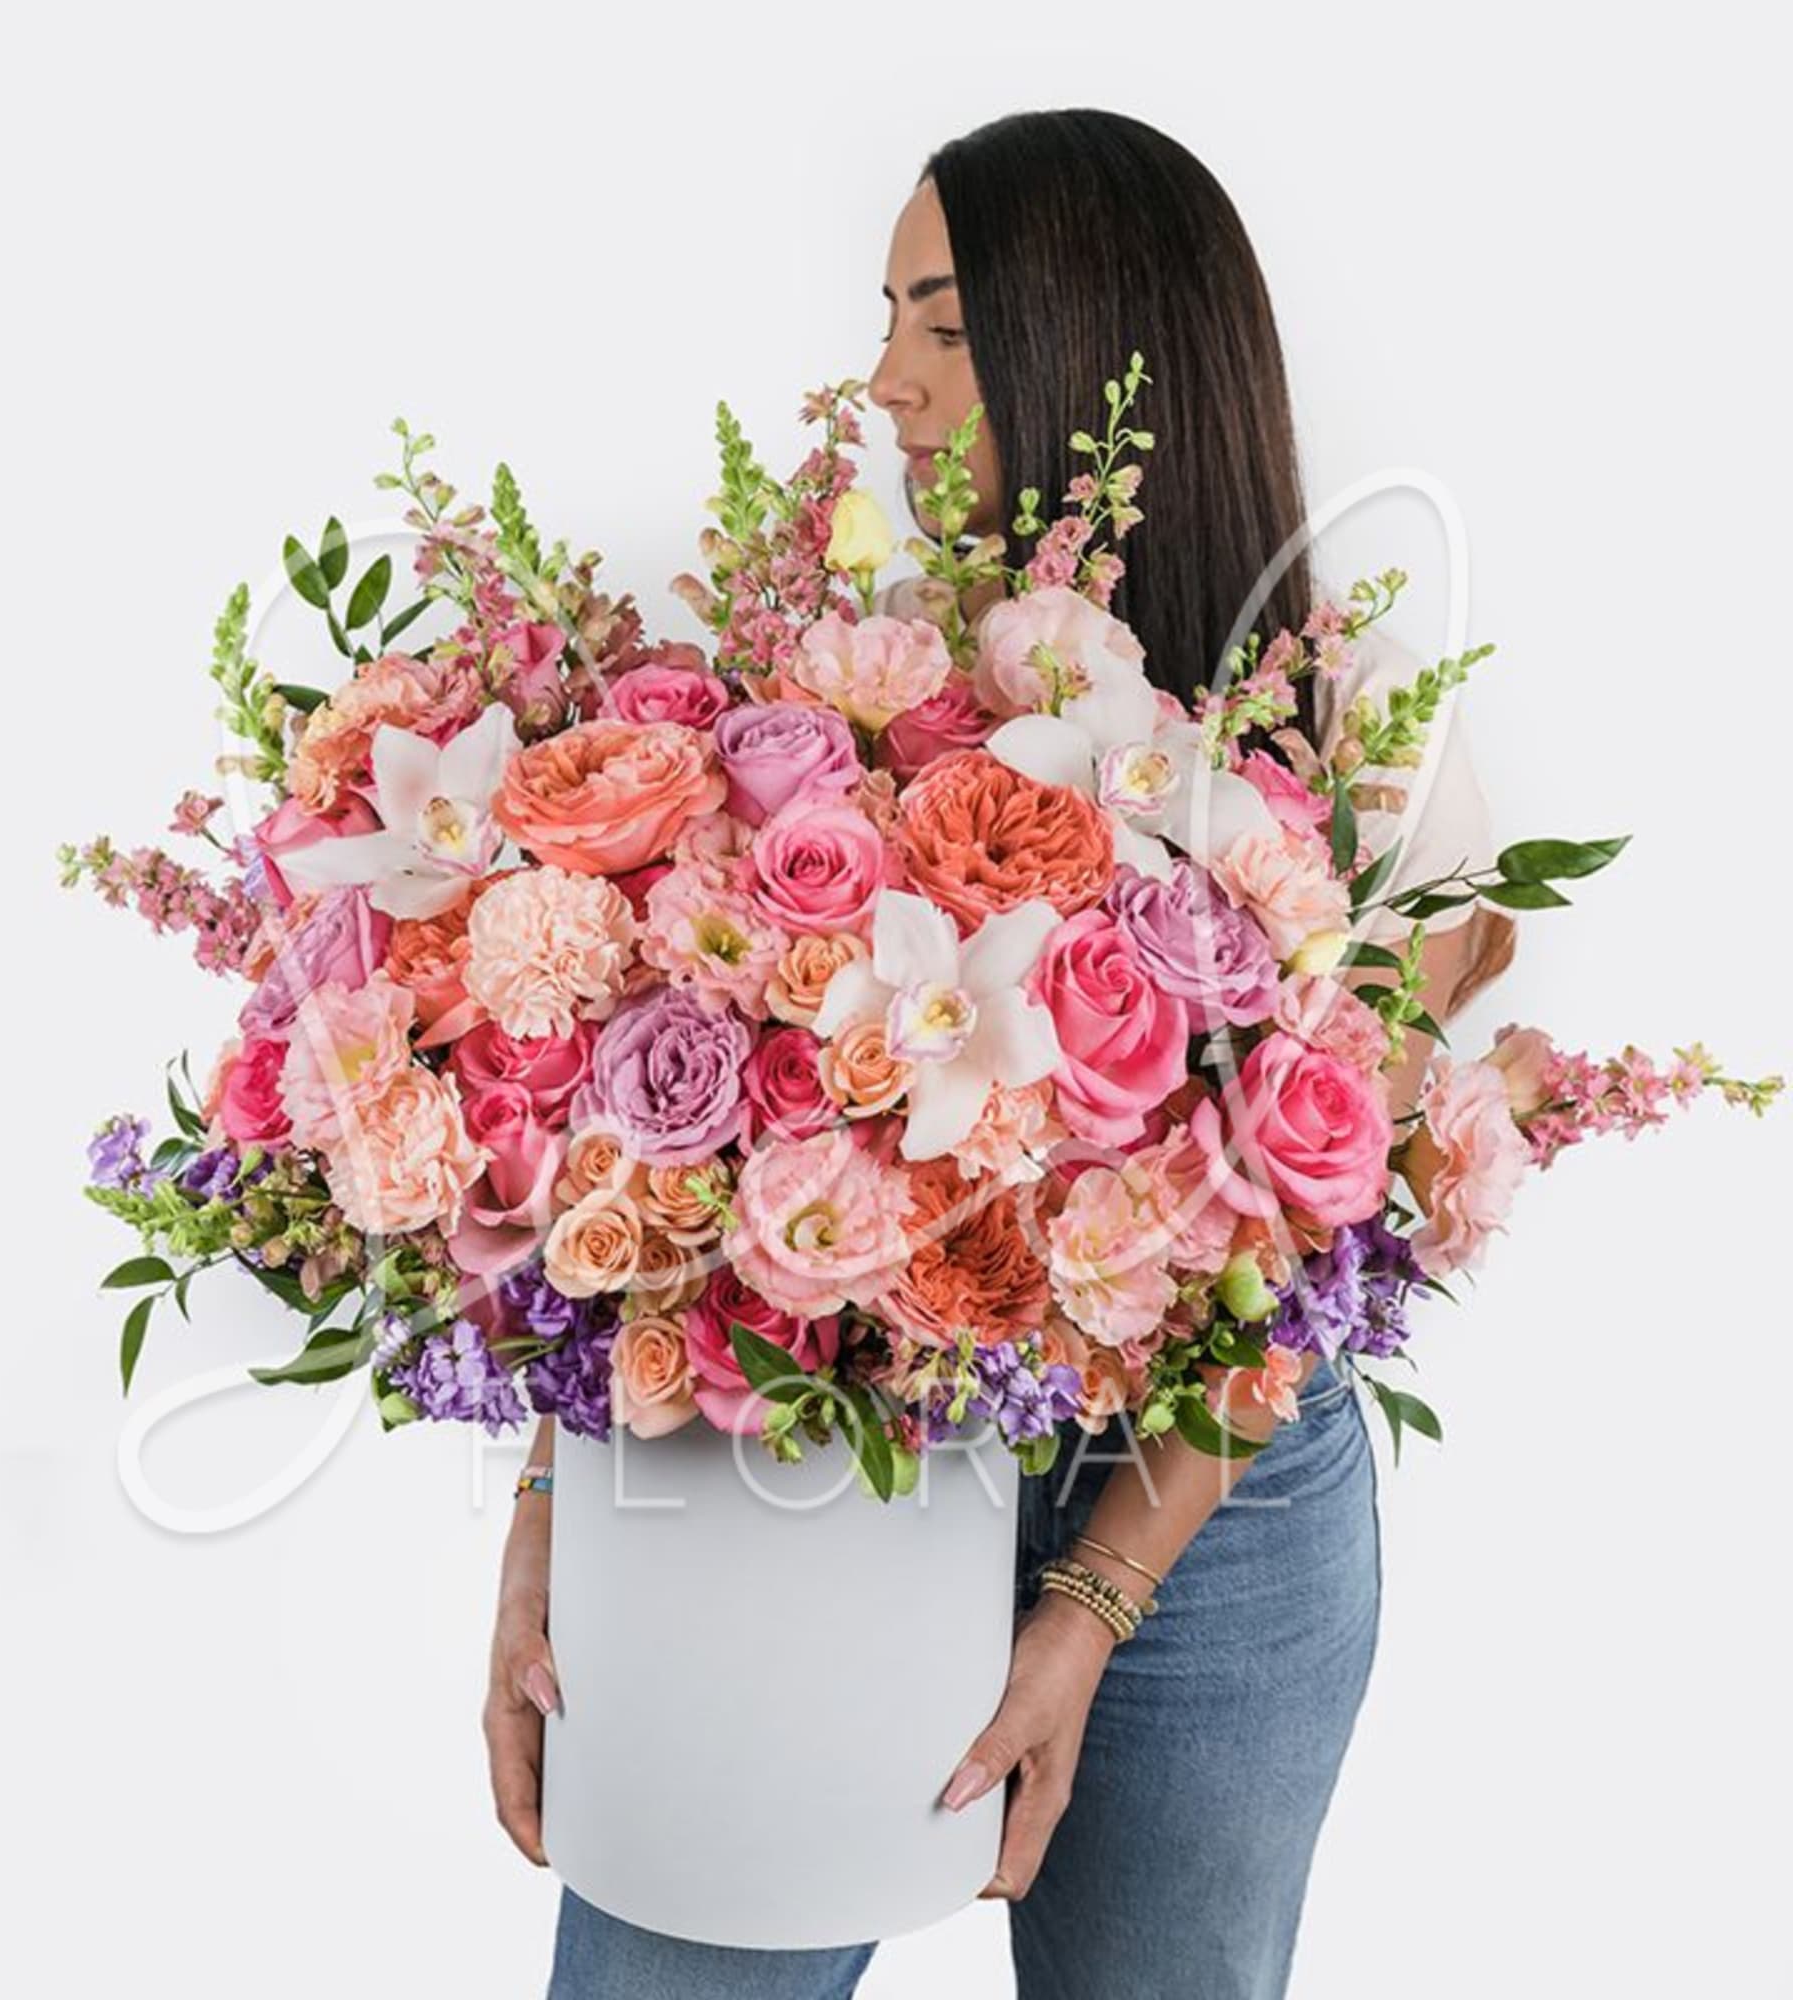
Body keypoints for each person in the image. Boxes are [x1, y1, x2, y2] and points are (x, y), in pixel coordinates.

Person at [487, 108, 1518, 1998]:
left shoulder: (1352, 735)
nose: (883, 385)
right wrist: (560, 1518)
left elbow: (1317, 1247)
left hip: (1210, 1516)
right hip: (799, 1466)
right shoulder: (823, 682)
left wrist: (1099, 1595)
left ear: (1094, 341)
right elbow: (655, 1169)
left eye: (943, 328)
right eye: (887, 317)